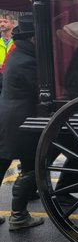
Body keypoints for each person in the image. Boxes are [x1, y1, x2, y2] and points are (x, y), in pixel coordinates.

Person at [0, 15, 44, 230]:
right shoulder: (27, 59)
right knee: (30, 166)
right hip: (21, 119)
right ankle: (18, 215)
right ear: (32, 37)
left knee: (2, 162)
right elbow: (40, 90)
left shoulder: (17, 53)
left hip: (9, 115)